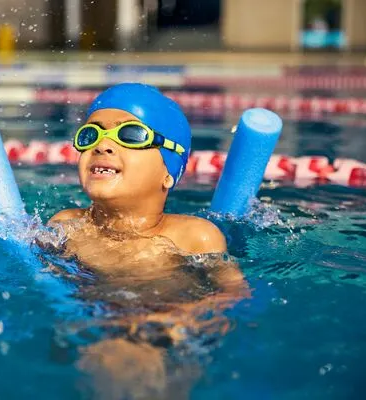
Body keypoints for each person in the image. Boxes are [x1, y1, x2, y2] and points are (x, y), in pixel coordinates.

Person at [45, 83, 248, 399]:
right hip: (88, 329)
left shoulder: (194, 235)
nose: (103, 145)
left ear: (169, 173)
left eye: (130, 135)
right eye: (91, 135)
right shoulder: (65, 225)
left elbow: (234, 292)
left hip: (165, 337)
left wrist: (181, 318)